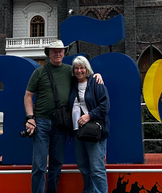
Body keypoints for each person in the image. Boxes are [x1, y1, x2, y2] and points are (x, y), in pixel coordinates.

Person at [24, 40, 103, 193]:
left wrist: (97, 75)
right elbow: (28, 96)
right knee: (39, 166)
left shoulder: (69, 71)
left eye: (60, 50)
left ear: (64, 52)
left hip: (61, 124)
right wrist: (30, 118)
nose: (58, 53)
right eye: (54, 51)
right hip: (41, 122)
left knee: (56, 164)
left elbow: (84, 75)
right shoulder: (39, 72)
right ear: (49, 53)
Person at [67, 56, 110, 193]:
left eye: (82, 67)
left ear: (87, 69)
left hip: (93, 131)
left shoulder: (96, 83)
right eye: (77, 68)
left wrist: (89, 116)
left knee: (97, 168)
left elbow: (105, 107)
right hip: (77, 132)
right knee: (83, 167)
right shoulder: (72, 85)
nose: (79, 71)